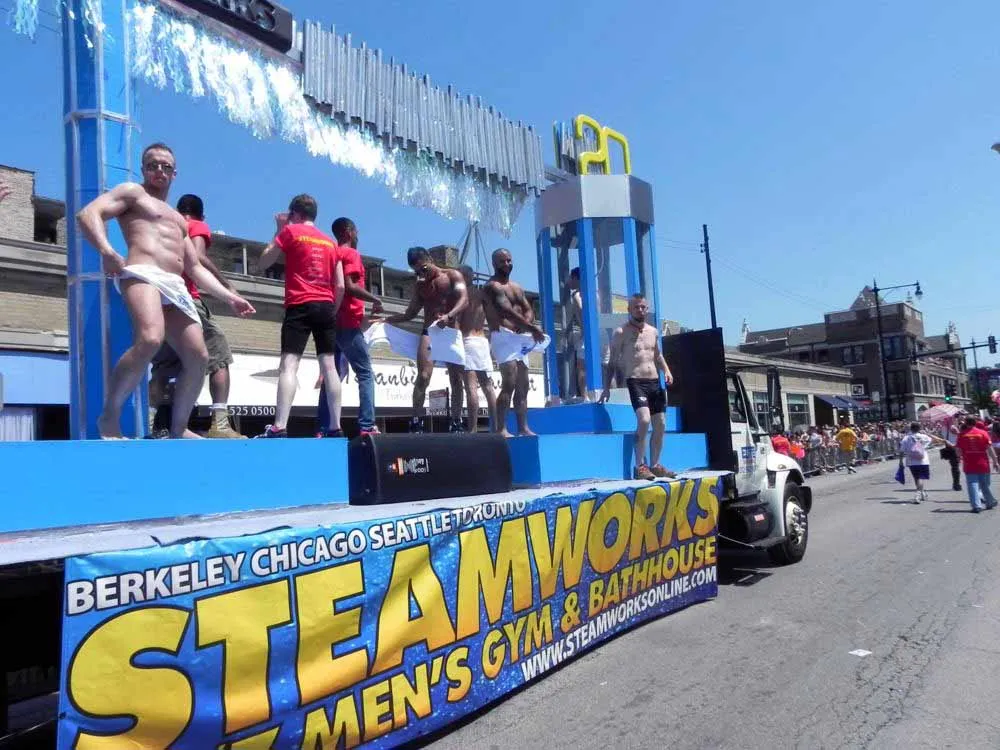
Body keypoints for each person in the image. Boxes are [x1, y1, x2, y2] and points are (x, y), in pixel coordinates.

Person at [75, 143, 255, 439]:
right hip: (143, 274)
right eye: (152, 165)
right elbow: (88, 213)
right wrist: (106, 251)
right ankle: (109, 416)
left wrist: (230, 297)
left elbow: (194, 268)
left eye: (165, 166)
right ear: (143, 169)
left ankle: (178, 429)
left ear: (174, 173)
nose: (159, 170)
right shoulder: (133, 193)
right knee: (150, 338)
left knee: (199, 357)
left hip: (175, 286)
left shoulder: (178, 220)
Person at [149, 194, 244, 439]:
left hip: (159, 301)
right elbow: (198, 258)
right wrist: (227, 285)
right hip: (186, 299)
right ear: (202, 215)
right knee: (219, 356)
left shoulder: (163, 226)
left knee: (164, 365)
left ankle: (158, 424)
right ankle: (220, 424)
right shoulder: (195, 226)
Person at [256, 194, 344, 438]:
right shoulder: (331, 242)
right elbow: (340, 285)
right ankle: (335, 427)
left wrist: (279, 229)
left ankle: (280, 426)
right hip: (326, 305)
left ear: (294, 213)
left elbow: (264, 262)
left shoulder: (290, 232)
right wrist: (332, 310)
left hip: (299, 304)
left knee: (289, 364)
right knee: (329, 367)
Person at [382, 247, 468, 433]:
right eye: (417, 272)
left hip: (451, 331)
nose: (422, 274)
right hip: (430, 331)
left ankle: (456, 421)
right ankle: (416, 420)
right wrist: (386, 319)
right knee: (423, 376)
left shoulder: (453, 276)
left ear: (430, 259)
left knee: (456, 379)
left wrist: (449, 315)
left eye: (424, 269)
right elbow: (410, 313)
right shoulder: (421, 285)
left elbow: (464, 300)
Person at [315, 218, 383, 436]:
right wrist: (375, 299)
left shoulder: (329, 253)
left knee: (330, 374)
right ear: (348, 232)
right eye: (355, 231)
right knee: (365, 373)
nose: (357, 235)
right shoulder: (351, 254)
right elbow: (350, 286)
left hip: (330, 322)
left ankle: (324, 427)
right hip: (348, 323)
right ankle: (367, 425)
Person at [600, 294, 675, 480]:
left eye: (643, 307)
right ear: (629, 310)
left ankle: (655, 464)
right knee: (644, 420)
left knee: (661, 423)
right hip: (636, 381)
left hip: (654, 381)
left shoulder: (653, 331)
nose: (640, 310)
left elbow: (657, 355)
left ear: (647, 309)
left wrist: (667, 370)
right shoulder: (621, 332)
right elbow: (612, 362)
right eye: (636, 307)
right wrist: (606, 387)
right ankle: (640, 465)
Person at [483, 249, 546, 438]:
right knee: (509, 382)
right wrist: (531, 328)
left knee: (523, 385)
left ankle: (523, 427)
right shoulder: (492, 286)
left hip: (519, 338)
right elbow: (505, 311)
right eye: (502, 261)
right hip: (502, 336)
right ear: (494, 264)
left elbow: (528, 309)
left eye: (509, 260)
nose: (507, 264)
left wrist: (526, 324)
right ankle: (501, 428)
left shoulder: (516, 287)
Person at [458, 265, 498, 432]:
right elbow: (492, 317)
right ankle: (497, 426)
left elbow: (458, 321)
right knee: (488, 386)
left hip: (467, 340)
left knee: (471, 388)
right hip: (482, 340)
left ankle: (473, 429)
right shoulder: (482, 295)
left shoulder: (462, 295)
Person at [956, 415, 1000, 513]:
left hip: (969, 462)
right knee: (984, 484)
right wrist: (995, 461)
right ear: (975, 422)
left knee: (972, 484)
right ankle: (990, 502)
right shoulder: (983, 433)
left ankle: (976, 506)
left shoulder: (962, 435)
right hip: (982, 462)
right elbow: (990, 449)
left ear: (965, 423)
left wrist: (958, 458)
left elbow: (958, 450)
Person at [899, 421, 944, 504]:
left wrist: (900, 461)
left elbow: (901, 451)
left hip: (911, 461)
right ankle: (918, 494)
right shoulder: (923, 436)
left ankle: (922, 493)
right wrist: (927, 433)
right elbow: (935, 440)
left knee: (916, 478)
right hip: (923, 460)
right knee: (920, 478)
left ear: (911, 428)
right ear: (919, 428)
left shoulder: (906, 438)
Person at [937, 417, 962, 492]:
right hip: (954, 447)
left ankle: (955, 484)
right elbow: (960, 436)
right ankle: (956, 484)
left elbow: (942, 438)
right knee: (955, 467)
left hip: (948, 447)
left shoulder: (943, 428)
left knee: (953, 466)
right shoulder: (953, 427)